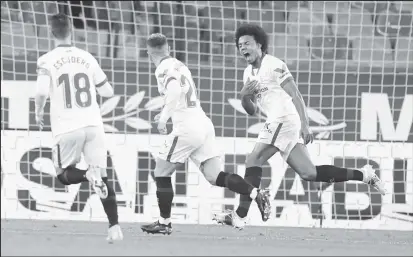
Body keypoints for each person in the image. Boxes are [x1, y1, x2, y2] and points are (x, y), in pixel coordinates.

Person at [213, 24, 387, 229]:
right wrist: (244, 97)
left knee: (253, 159)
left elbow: (296, 94)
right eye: (240, 45)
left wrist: (306, 125)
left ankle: (240, 216)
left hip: (284, 119)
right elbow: (252, 111)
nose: (243, 48)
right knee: (309, 173)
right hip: (280, 122)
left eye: (247, 43)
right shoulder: (248, 74)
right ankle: (364, 174)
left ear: (259, 45)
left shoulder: (274, 64)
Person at [140, 33, 271, 235]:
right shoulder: (179, 65)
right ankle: (256, 193)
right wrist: (167, 112)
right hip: (203, 124)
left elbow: (174, 91)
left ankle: (164, 222)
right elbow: (180, 95)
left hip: (186, 128)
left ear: (148, 52)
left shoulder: (162, 69)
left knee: (161, 172)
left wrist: (165, 117)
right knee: (214, 175)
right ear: (169, 49)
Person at [34, 13, 123, 242]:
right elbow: (108, 92)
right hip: (93, 125)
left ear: (51, 32)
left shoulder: (46, 60)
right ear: (71, 30)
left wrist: (39, 110)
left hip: (67, 126)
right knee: (102, 177)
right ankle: (114, 228)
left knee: (64, 175)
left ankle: (86, 175)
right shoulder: (87, 57)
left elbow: (42, 91)